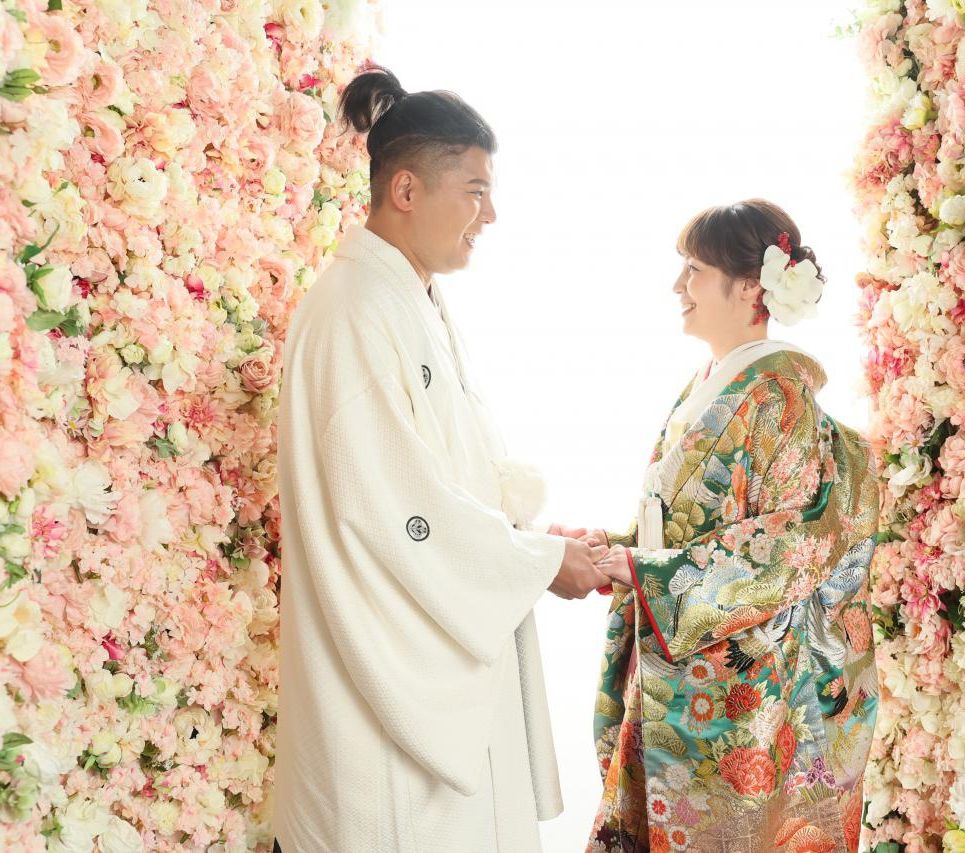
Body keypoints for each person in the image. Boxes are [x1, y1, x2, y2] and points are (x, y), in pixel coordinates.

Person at [272, 65, 611, 853]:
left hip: (435, 647)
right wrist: (536, 563)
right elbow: (396, 508)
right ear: (406, 190)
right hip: (383, 689)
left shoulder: (409, 298)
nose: (490, 215)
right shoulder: (354, 309)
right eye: (475, 191)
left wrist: (529, 540)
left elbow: (448, 473)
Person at [581, 201, 880, 852]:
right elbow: (685, 521)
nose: (678, 286)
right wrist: (619, 548)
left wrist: (645, 570)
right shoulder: (715, 382)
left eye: (693, 270)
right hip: (683, 661)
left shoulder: (778, 395)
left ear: (750, 287)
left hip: (739, 685)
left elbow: (792, 546)